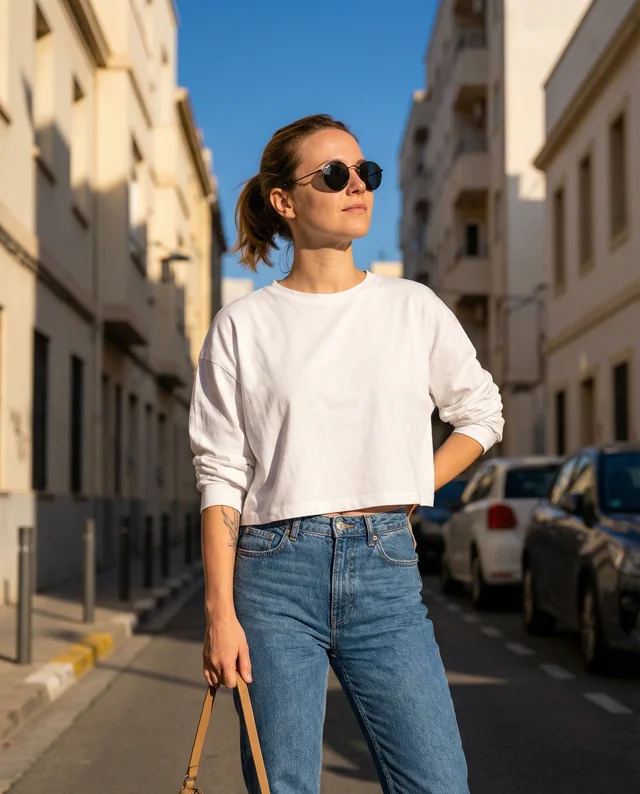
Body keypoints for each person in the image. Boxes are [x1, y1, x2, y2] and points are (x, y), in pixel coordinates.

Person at [189, 113, 504, 794]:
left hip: (384, 570)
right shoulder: (243, 325)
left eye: (366, 172)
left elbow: (481, 414)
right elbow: (221, 474)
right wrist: (219, 614)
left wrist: (412, 486)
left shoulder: (412, 307)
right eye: (334, 175)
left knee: (437, 783)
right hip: (273, 576)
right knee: (284, 786)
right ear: (284, 200)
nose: (357, 186)